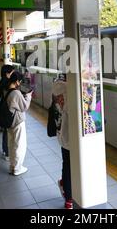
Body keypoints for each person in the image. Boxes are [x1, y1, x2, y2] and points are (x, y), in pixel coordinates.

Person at [52, 76, 73, 209]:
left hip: (63, 138)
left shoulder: (56, 92)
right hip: (70, 140)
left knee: (67, 165)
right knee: (69, 166)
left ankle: (66, 189)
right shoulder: (68, 97)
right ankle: (69, 197)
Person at [6, 71, 32, 176]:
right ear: (17, 81)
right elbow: (24, 107)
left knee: (12, 144)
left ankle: (12, 166)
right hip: (17, 122)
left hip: (10, 122)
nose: (20, 83)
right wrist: (28, 97)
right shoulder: (16, 93)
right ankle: (17, 168)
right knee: (19, 145)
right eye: (20, 81)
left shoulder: (8, 90)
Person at [0, 64, 15, 160]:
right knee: (7, 132)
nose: (13, 73)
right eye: (12, 72)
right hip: (6, 110)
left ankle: (5, 151)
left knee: (6, 131)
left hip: (3, 109)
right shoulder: (6, 83)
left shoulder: (2, 82)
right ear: (7, 73)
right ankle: (7, 153)